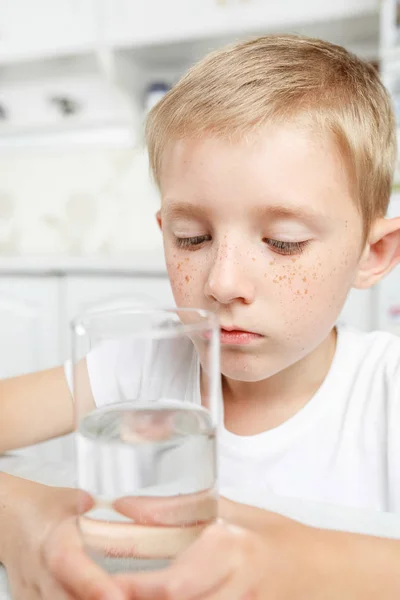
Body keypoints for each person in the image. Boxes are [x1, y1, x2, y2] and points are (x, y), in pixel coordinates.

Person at [1, 33, 400, 599]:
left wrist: (299, 566)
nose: (222, 282)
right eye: (193, 238)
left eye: (283, 242)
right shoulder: (139, 367)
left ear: (373, 253)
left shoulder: (386, 393)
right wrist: (23, 519)